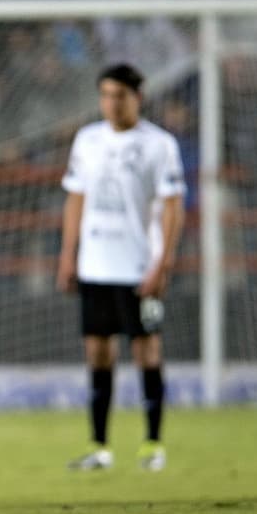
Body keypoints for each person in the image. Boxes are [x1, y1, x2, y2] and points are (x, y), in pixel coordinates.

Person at [56, 64, 185, 472]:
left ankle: (153, 444)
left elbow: (173, 208)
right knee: (97, 352)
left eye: (120, 95)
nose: (112, 103)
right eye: (106, 95)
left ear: (137, 98)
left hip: (138, 267)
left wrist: (161, 265)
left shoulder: (159, 144)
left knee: (147, 350)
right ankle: (99, 447)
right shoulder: (87, 139)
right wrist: (67, 255)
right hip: (95, 266)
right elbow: (75, 198)